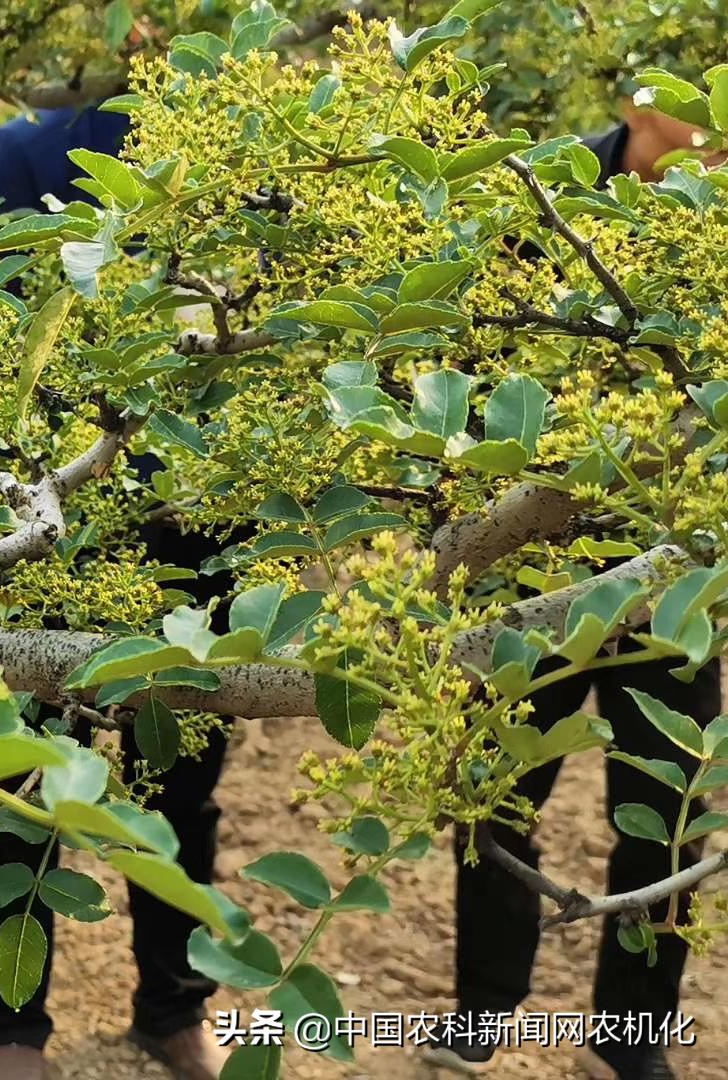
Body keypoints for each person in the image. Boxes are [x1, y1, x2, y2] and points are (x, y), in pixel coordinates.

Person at [426, 105, 725, 1080]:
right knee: (492, 791)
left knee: (669, 801)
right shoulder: (537, 196)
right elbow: (466, 365)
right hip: (534, 558)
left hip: (671, 571)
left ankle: (633, 1032)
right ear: (639, 101)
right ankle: (482, 1008)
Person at [0, 104, 234, 1080]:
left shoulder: (245, 136)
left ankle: (175, 1005)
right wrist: (14, 497)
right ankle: (9, 1029)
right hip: (65, 524)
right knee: (27, 772)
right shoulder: (28, 151)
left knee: (183, 776)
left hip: (202, 520)